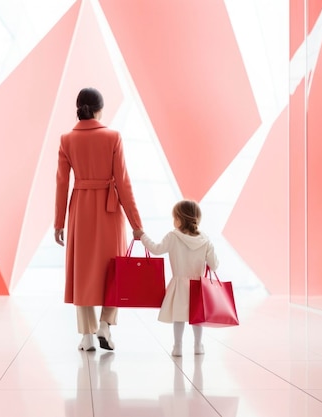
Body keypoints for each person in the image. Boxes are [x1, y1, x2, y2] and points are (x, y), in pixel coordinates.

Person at [54, 87, 143, 352]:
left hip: (81, 208)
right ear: (100, 109)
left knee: (82, 271)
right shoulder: (113, 137)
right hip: (109, 211)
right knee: (113, 270)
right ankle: (105, 324)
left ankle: (86, 336)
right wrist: (137, 224)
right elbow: (123, 183)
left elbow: (61, 183)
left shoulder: (67, 139)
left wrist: (58, 222)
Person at [133, 199, 219, 357]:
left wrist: (142, 236)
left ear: (179, 219)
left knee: (179, 317)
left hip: (179, 283)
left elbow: (156, 249)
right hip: (197, 285)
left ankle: (177, 347)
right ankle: (198, 345)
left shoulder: (173, 236)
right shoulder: (205, 240)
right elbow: (214, 265)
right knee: (196, 317)